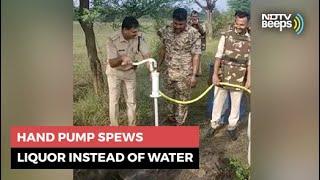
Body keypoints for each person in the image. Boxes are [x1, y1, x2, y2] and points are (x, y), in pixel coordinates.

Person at [209, 11, 251, 140]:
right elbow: (218, 56)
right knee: (218, 100)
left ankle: (232, 127)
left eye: (242, 24)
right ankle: (214, 124)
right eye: (237, 23)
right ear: (235, 22)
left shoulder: (251, 40)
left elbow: (251, 63)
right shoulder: (226, 36)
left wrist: (249, 80)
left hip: (240, 75)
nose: (239, 26)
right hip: (223, 73)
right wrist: (215, 74)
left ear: (247, 24)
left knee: (236, 102)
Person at [157, 8, 201, 125]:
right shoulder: (166, 30)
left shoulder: (193, 33)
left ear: (186, 21)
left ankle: (180, 122)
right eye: (175, 23)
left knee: (182, 99)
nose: (177, 26)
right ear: (172, 20)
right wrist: (158, 66)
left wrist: (193, 75)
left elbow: (196, 55)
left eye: (181, 24)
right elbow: (163, 49)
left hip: (184, 73)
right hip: (168, 71)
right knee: (168, 96)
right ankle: (170, 117)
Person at [106, 16, 151, 126]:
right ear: (125, 30)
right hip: (114, 73)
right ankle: (114, 127)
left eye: (137, 31)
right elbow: (112, 63)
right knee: (114, 101)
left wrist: (151, 70)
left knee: (131, 101)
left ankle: (132, 127)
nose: (135, 34)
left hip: (130, 73)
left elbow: (147, 55)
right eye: (133, 32)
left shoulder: (139, 37)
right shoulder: (112, 39)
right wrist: (122, 58)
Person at [188, 10, 206, 76]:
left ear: (198, 17)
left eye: (196, 16)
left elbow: (203, 32)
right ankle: (191, 70)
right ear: (191, 17)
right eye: (193, 16)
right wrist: (191, 23)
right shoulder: (188, 23)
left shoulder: (201, 23)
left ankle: (199, 71)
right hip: (189, 41)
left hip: (198, 41)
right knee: (189, 56)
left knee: (198, 55)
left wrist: (197, 24)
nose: (194, 18)